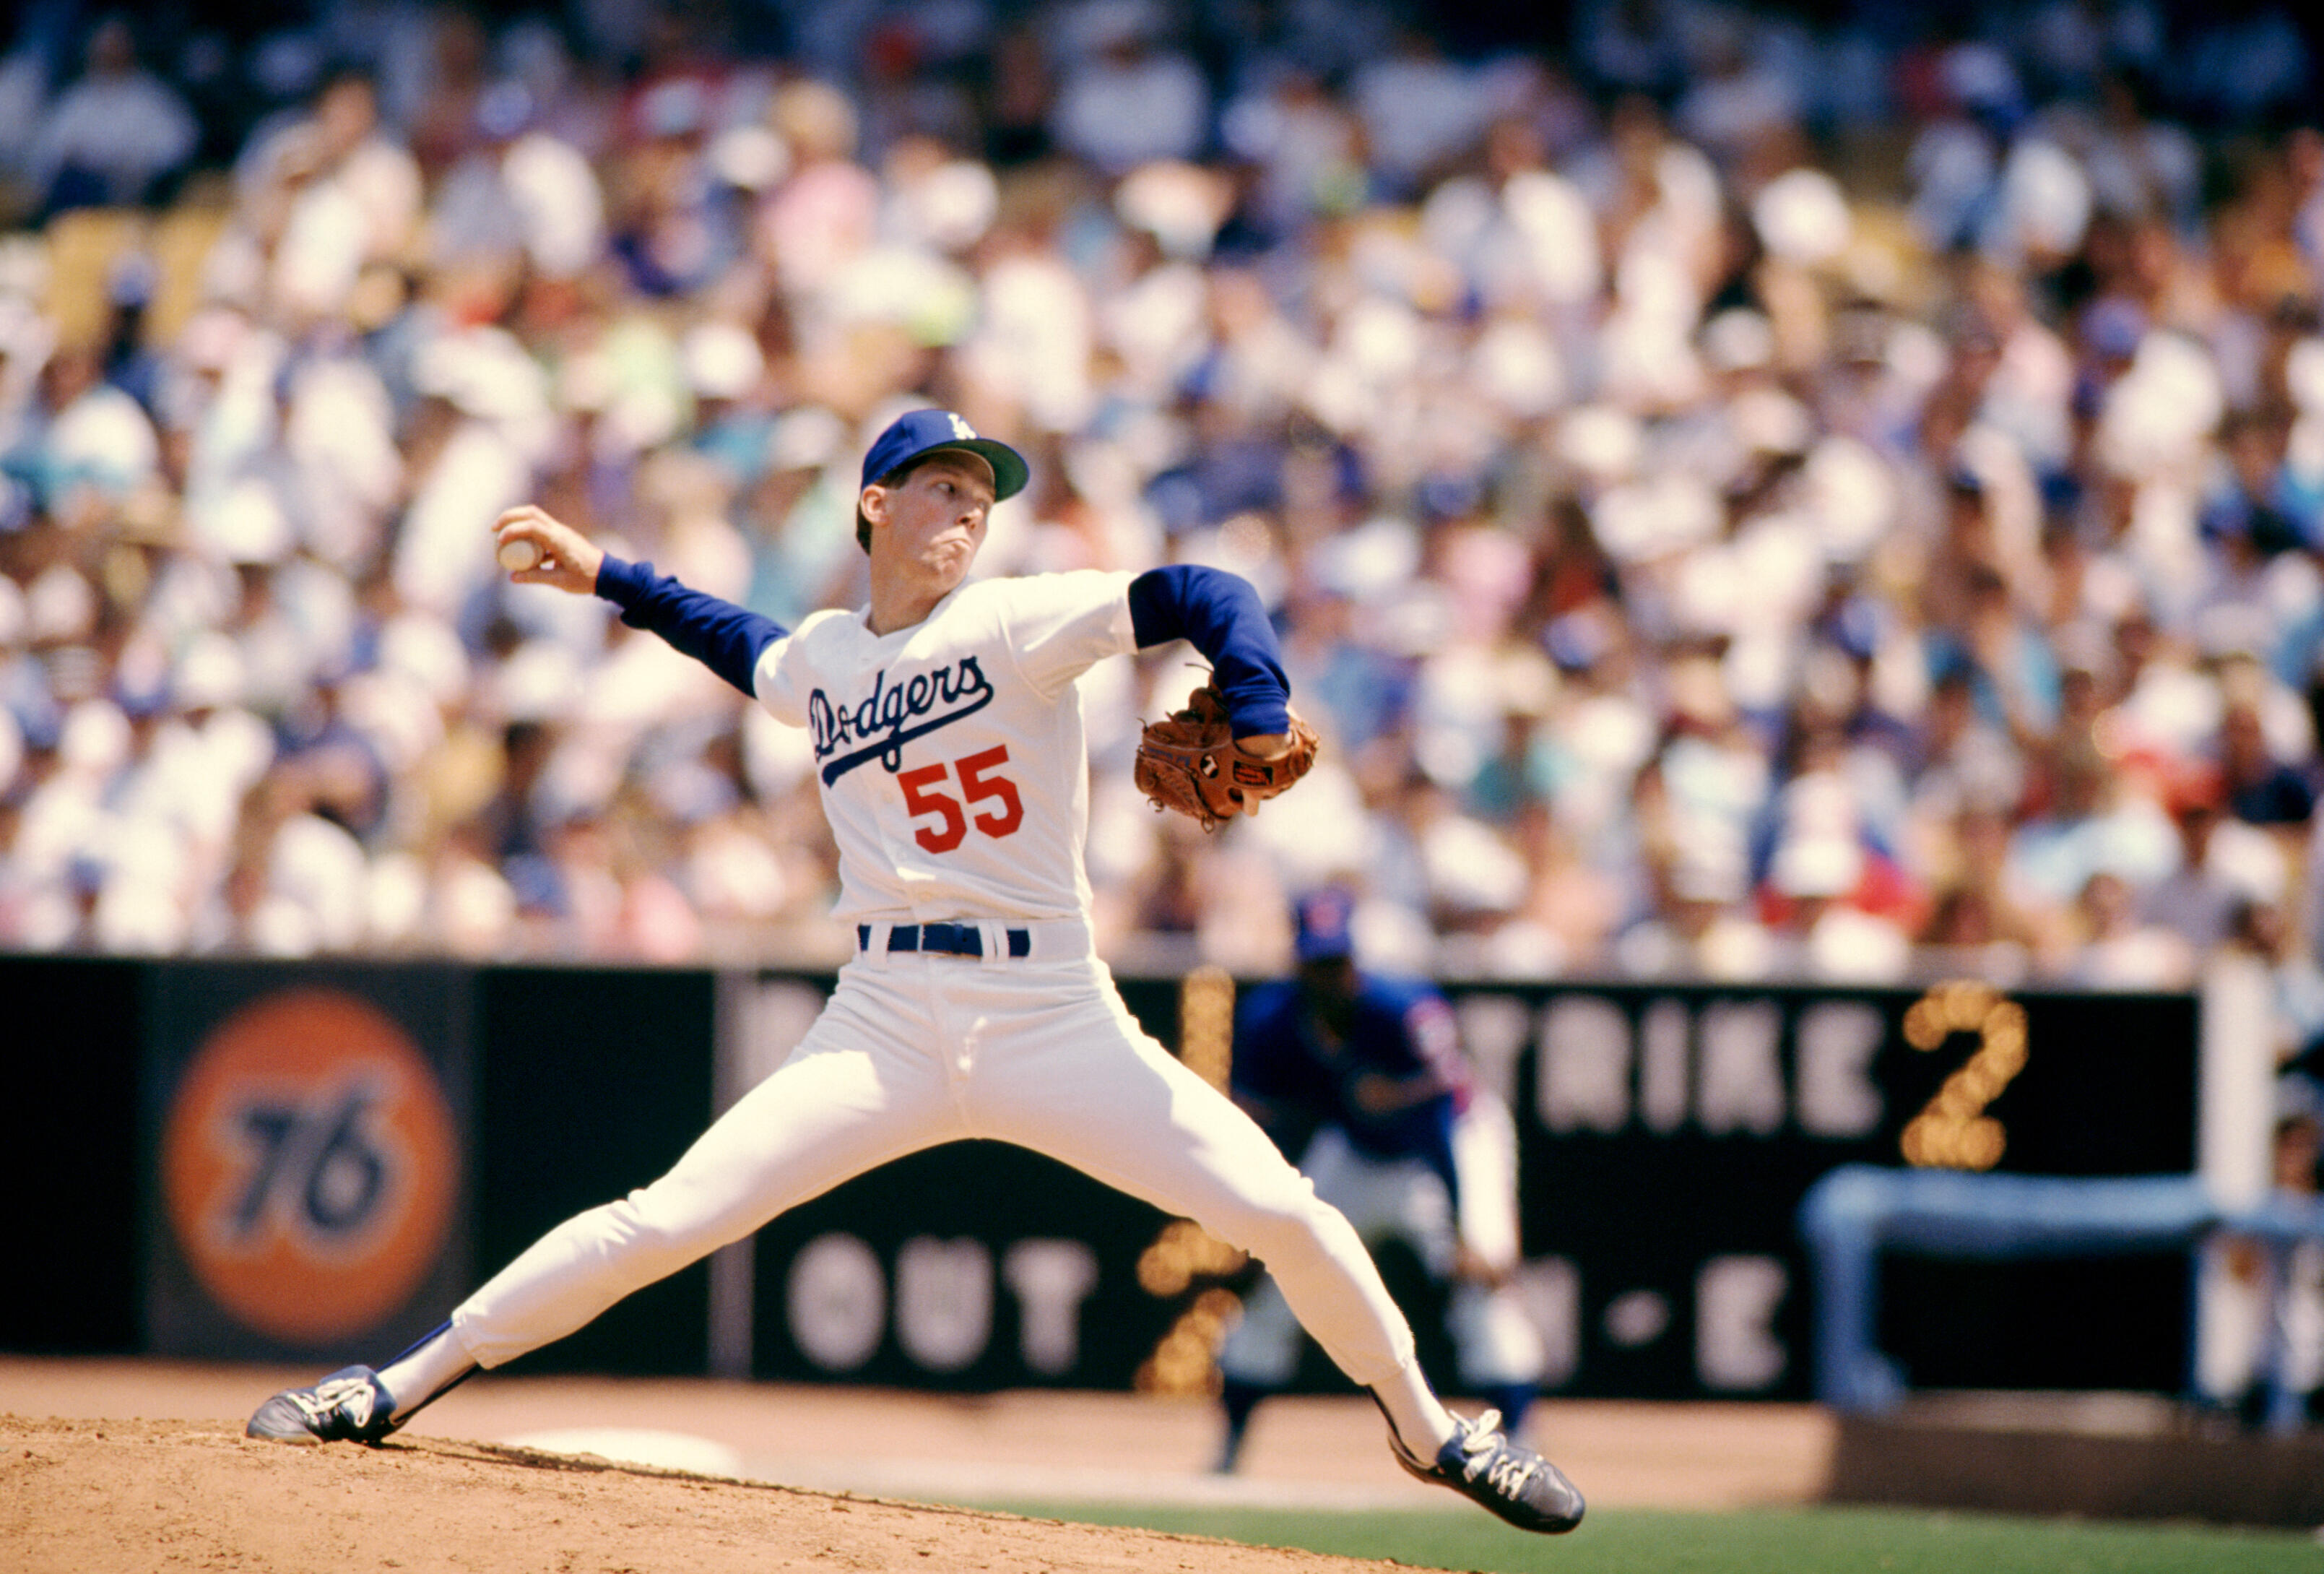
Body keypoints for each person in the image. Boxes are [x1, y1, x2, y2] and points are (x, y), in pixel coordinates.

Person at [243, 408, 1584, 1535]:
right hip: (880, 1016)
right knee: (664, 1219)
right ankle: (394, 1382)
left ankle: (1432, 1433)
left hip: (1052, 1007)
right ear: (872, 504)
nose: (966, 512)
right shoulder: (828, 658)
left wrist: (1253, 688)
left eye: (981, 498)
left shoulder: (1013, 621)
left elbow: (1201, 593)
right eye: (942, 487)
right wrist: (603, 572)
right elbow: (728, 635)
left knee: (1284, 1213)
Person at [1213, 886, 1549, 1474]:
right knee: (1279, 1281)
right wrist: (1249, 1216)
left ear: (1355, 957)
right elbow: (1256, 1121)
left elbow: (1440, 1121)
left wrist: (1467, 1222)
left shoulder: (1403, 1008)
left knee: (1484, 1286)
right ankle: (1230, 1451)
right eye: (1316, 963)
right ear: (1297, 961)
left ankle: (1519, 1448)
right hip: (1356, 1150)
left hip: (1452, 1146)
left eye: (1336, 961)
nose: (1328, 976)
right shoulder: (1271, 1018)